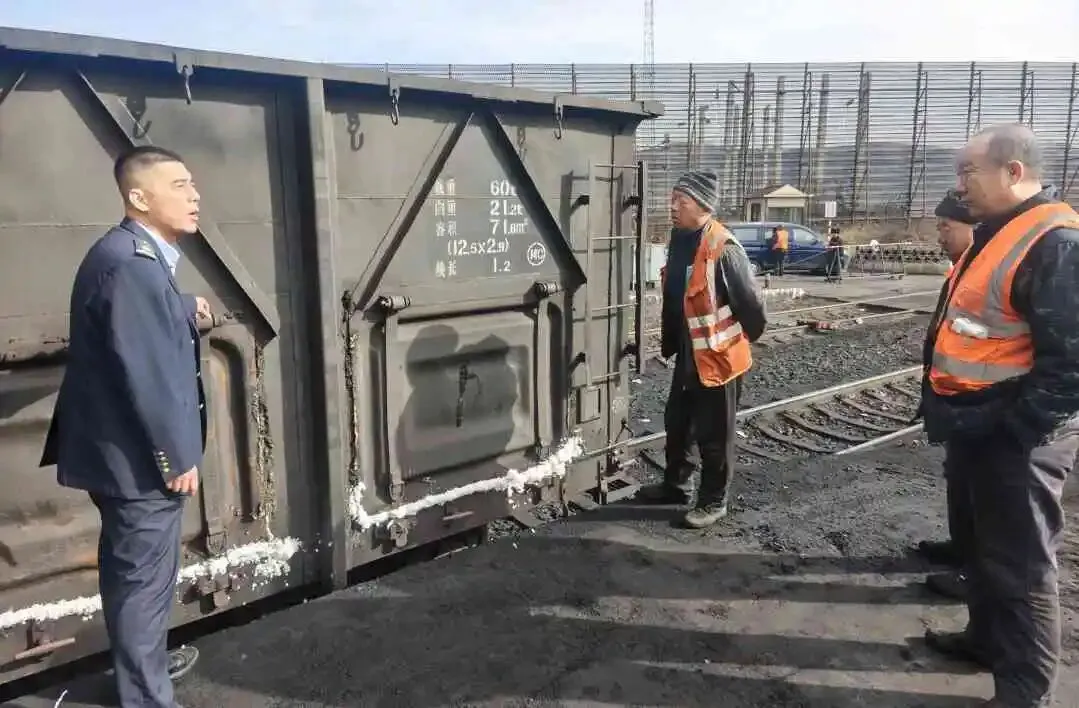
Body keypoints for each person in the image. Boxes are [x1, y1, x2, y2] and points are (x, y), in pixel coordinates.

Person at [40, 145, 210, 708]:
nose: (195, 195)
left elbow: (131, 324)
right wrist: (175, 457)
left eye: (192, 184)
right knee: (143, 582)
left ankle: (143, 667)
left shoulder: (128, 255)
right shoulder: (134, 265)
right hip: (140, 464)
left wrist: (184, 306)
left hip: (119, 456)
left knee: (133, 573)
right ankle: (145, 696)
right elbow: (147, 373)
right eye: (179, 185)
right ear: (139, 197)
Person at [919, 123, 1079, 708]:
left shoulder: (1055, 243)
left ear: (1013, 172)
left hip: (1016, 438)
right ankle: (985, 640)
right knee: (981, 548)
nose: (960, 185)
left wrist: (1019, 432)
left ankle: (1024, 693)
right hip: (978, 427)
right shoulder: (997, 232)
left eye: (968, 172)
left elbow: (1071, 363)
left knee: (1021, 569)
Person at [637, 170, 767, 528]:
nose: (673, 207)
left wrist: (733, 342)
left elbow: (752, 308)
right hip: (689, 353)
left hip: (719, 357)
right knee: (678, 422)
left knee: (715, 433)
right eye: (672, 200)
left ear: (703, 205)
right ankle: (677, 486)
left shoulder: (724, 248)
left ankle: (713, 501)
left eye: (681, 201)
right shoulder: (681, 240)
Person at [915, 190, 977, 603]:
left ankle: (976, 571)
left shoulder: (985, 267)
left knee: (984, 492)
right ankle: (962, 548)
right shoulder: (962, 267)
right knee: (961, 478)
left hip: (982, 400)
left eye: (946, 227)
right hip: (960, 397)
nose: (940, 236)